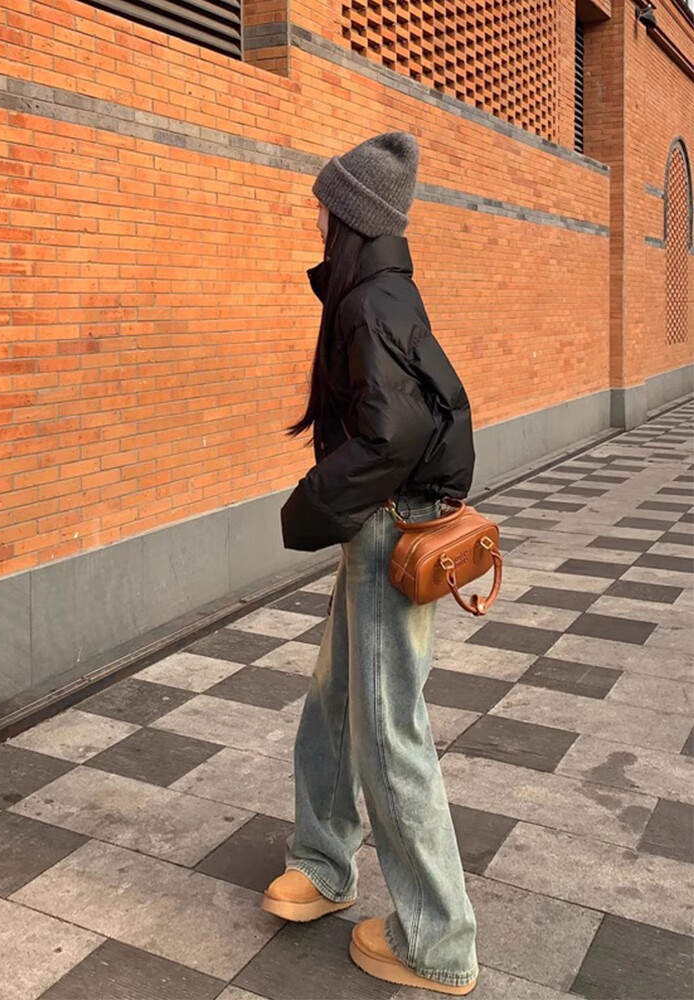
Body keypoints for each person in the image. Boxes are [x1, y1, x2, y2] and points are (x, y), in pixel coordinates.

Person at [263, 132, 479, 996]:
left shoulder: (370, 302)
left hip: (388, 529)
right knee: (334, 703)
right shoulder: (383, 292)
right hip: (384, 524)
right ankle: (323, 862)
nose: (314, 215)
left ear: (350, 216)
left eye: (325, 204)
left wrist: (310, 505)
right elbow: (439, 408)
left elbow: (398, 431)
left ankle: (438, 941)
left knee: (389, 733)